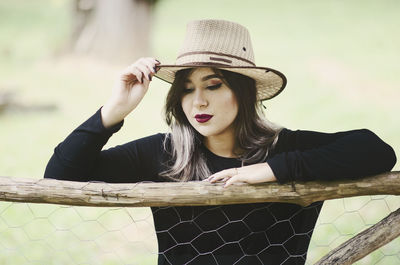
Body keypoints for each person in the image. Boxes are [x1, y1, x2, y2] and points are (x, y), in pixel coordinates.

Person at [44, 19, 396, 265]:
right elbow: (59, 176)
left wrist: (272, 169)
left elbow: (376, 151)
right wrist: (114, 109)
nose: (198, 101)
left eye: (213, 85)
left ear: (243, 93)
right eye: (186, 89)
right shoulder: (165, 154)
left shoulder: (285, 148)